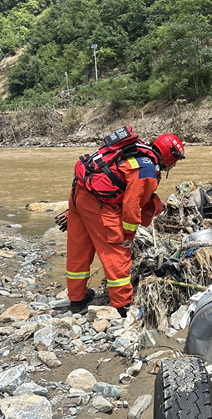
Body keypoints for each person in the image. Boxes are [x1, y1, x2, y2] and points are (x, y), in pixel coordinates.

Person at [65, 130, 185, 314]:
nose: (174, 166)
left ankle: (77, 299)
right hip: (98, 203)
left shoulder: (135, 151)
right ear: (170, 157)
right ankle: (122, 305)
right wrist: (128, 236)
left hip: (79, 192)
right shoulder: (147, 169)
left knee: (79, 249)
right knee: (118, 251)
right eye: (175, 162)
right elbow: (131, 208)